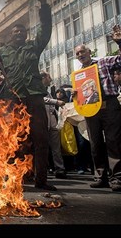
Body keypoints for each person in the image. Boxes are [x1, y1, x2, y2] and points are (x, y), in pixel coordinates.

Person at [0, 0, 56, 191]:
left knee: (40, 137)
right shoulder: (2, 53)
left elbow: (46, 28)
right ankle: (13, 177)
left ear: (26, 34)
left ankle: (41, 179)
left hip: (33, 95)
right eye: (15, 32)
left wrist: (43, 3)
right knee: (10, 138)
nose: (19, 34)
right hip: (11, 98)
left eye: (22, 31)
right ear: (10, 36)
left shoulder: (34, 45)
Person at [73, 41, 121, 192]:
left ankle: (117, 178)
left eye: (82, 51)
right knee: (95, 143)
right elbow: (81, 94)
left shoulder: (103, 61)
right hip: (90, 109)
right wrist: (75, 94)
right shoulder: (78, 74)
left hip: (110, 105)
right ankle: (100, 177)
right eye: (77, 54)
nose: (80, 55)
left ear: (89, 52)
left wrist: (119, 42)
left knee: (114, 141)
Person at [40, 71, 67, 179]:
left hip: (52, 121)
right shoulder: (37, 89)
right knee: (43, 146)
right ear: (43, 78)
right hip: (43, 121)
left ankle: (59, 168)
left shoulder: (48, 90)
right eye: (49, 76)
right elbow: (42, 99)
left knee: (56, 147)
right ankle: (43, 169)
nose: (50, 79)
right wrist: (56, 102)